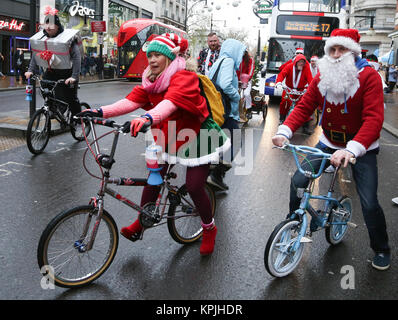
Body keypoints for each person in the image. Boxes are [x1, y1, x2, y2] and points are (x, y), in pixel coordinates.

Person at [77, 33, 230, 256]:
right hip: (170, 133)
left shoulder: (185, 77)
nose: (151, 60)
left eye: (157, 55)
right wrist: (97, 112)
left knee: (195, 185)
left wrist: (147, 118)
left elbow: (169, 104)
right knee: (153, 178)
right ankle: (142, 221)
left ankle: (209, 228)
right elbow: (129, 102)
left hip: (198, 135)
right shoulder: (151, 80)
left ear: (169, 57)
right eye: (149, 55)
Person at [272, 28, 391, 271]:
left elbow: (373, 119)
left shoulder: (369, 77)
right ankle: (294, 226)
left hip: (361, 147)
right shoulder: (322, 76)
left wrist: (351, 149)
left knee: (368, 203)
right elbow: (305, 106)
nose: (336, 54)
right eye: (332, 49)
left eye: (342, 49)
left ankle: (381, 248)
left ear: (354, 51)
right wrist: (284, 131)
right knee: (297, 181)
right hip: (328, 142)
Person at [25, 6, 82, 118]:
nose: (48, 28)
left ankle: (79, 118)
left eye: (51, 25)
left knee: (70, 98)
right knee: (44, 88)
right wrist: (30, 70)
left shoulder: (68, 39)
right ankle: (53, 109)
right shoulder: (42, 39)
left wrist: (74, 76)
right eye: (46, 25)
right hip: (52, 71)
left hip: (68, 73)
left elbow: (76, 57)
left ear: (57, 26)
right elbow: (36, 55)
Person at [207, 38, 247, 191]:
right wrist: (236, 96)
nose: (241, 56)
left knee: (218, 143)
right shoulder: (229, 61)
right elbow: (225, 84)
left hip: (216, 109)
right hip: (226, 110)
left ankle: (213, 176)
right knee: (235, 142)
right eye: (240, 52)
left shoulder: (218, 61)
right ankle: (216, 175)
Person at [275, 53, 313, 133]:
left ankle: (305, 126)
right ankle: (282, 119)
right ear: (296, 62)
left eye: (303, 62)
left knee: (305, 106)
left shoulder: (306, 68)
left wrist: (311, 88)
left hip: (301, 90)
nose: (301, 64)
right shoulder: (289, 66)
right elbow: (282, 74)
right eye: (300, 62)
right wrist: (278, 83)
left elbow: (310, 79)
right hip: (289, 89)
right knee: (284, 102)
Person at [237, 50, 255, 122]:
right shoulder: (236, 58)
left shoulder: (250, 59)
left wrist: (248, 78)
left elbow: (251, 69)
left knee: (246, 94)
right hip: (237, 80)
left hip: (246, 79)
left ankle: (249, 109)